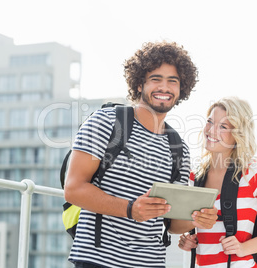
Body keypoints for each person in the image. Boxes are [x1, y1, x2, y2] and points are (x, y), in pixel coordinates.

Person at [64, 41, 218, 268]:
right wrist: (130, 209)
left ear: (181, 89)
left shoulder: (179, 148)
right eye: (156, 79)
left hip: (151, 263)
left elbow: (172, 223)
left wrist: (197, 219)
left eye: (172, 81)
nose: (164, 87)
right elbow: (73, 189)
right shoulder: (105, 122)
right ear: (139, 84)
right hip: (97, 260)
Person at [178, 97, 257, 268]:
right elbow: (192, 226)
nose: (211, 131)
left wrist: (244, 248)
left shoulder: (252, 172)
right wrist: (186, 239)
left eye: (223, 127)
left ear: (238, 134)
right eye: (210, 122)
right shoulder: (195, 176)